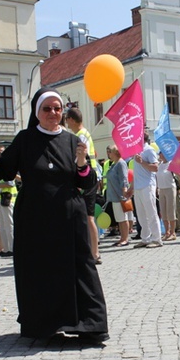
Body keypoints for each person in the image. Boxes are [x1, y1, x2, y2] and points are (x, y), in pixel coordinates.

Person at [0, 88, 108, 343]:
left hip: (68, 217)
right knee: (39, 270)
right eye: (47, 108)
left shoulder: (74, 141)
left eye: (57, 108)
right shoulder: (25, 139)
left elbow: (86, 184)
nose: (53, 113)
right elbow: (3, 168)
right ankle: (44, 326)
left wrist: (83, 163)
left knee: (79, 267)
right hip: (34, 218)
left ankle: (87, 324)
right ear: (36, 112)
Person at [64, 107, 101, 264]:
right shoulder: (84, 134)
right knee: (87, 216)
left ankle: (95, 253)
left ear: (72, 120)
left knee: (88, 217)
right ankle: (92, 251)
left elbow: (80, 158)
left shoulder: (80, 136)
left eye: (67, 121)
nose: (66, 124)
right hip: (89, 177)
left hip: (86, 178)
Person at [128, 133, 163, 248]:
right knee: (141, 215)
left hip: (148, 186)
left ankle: (157, 239)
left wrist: (142, 162)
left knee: (151, 213)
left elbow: (155, 168)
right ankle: (145, 238)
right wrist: (131, 187)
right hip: (138, 187)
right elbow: (137, 173)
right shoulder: (136, 152)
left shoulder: (149, 150)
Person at [104, 144, 133, 247]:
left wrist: (124, 190)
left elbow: (124, 178)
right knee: (119, 219)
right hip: (114, 196)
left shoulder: (121, 163)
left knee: (123, 218)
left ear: (115, 152)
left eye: (110, 151)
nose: (108, 153)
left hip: (120, 195)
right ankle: (122, 237)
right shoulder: (113, 164)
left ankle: (125, 238)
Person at [157, 151, 178, 241]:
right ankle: (167, 232)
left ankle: (173, 232)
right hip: (161, 189)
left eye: (161, 153)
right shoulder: (159, 165)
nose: (160, 155)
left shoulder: (171, 164)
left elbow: (179, 175)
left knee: (170, 211)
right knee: (163, 211)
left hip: (170, 188)